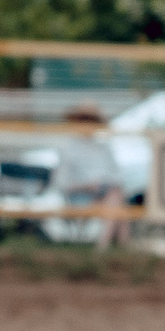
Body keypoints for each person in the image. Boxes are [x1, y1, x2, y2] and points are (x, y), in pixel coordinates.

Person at [52, 104, 129, 249]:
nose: (87, 123)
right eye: (84, 119)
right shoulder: (67, 148)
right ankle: (113, 247)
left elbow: (118, 178)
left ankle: (107, 246)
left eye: (90, 120)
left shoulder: (104, 148)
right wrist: (86, 186)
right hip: (78, 197)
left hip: (105, 194)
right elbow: (60, 182)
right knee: (117, 200)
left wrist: (103, 185)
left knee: (116, 196)